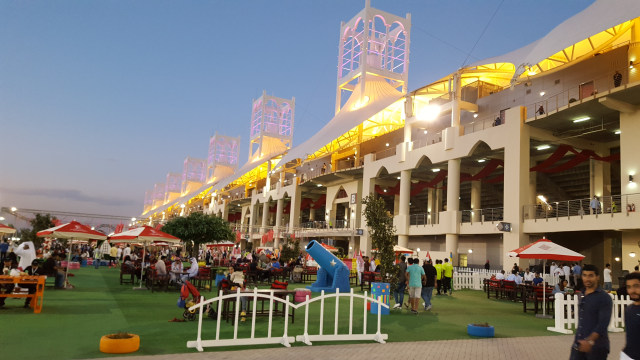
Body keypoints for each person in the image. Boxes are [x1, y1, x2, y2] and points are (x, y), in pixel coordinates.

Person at [570, 264, 612, 360]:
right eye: (584, 275)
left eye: (591, 275)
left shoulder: (604, 297)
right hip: (579, 344)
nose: (587, 279)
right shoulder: (581, 294)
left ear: (597, 277)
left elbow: (603, 323)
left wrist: (589, 341)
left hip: (597, 347)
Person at [621, 272, 640, 359]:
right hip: (627, 355)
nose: (632, 290)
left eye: (636, 286)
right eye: (629, 287)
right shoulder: (629, 309)